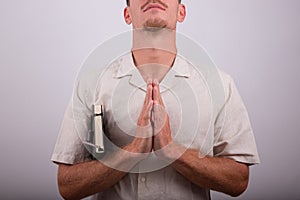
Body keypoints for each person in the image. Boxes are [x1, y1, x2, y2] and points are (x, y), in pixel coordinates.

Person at [51, 0, 260, 199]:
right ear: (127, 14)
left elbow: (238, 181)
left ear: (181, 12)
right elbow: (68, 186)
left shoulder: (221, 85)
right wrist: (131, 152)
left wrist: (172, 150)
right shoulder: (91, 84)